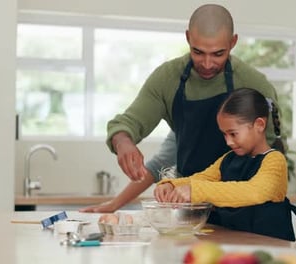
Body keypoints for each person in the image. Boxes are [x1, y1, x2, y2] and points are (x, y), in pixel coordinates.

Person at [81, 4, 282, 212]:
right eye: (198, 52)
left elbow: (270, 157)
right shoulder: (167, 80)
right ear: (188, 38)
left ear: (233, 43)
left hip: (247, 211)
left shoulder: (256, 84)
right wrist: (123, 141)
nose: (206, 63)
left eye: (218, 54)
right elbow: (138, 134)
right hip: (193, 210)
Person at [154, 88, 296, 241]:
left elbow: (254, 192)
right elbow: (203, 178)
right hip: (237, 244)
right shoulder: (228, 158)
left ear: (259, 125)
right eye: (224, 134)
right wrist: (171, 184)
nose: (228, 141)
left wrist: (196, 191)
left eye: (233, 133)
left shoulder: (275, 161)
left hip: (273, 250)